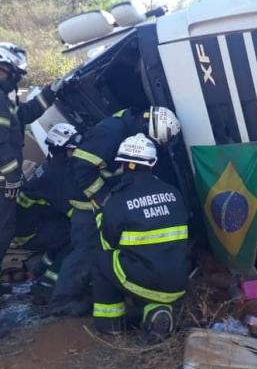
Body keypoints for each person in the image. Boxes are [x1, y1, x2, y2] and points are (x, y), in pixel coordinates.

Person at [49, 106, 181, 316]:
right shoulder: (112, 131)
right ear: (148, 128)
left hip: (99, 199)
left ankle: (84, 292)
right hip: (86, 201)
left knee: (101, 250)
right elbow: (82, 167)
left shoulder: (127, 129)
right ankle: (63, 300)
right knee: (88, 249)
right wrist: (103, 200)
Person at [0, 42, 63, 312]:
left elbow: (24, 116)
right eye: (18, 75)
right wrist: (13, 175)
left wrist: (50, 94)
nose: (19, 80)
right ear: (6, 70)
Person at [90, 134, 189, 342]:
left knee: (101, 259)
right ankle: (156, 309)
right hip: (179, 281)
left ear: (122, 164)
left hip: (146, 280)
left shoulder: (118, 200)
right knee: (148, 262)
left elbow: (108, 242)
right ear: (152, 163)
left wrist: (100, 216)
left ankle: (110, 324)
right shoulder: (173, 192)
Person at [11, 123, 77, 303]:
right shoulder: (57, 174)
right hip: (28, 233)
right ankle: (47, 285)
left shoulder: (50, 165)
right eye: (72, 149)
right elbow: (71, 210)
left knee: (63, 230)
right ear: (64, 149)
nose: (76, 153)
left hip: (28, 225)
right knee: (78, 236)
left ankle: (39, 270)